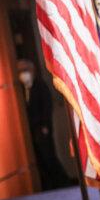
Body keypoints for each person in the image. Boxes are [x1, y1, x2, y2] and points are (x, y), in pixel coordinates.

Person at [16, 59, 71, 190]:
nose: (22, 74)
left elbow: (47, 107)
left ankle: (64, 183)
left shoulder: (40, 86)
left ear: (32, 71)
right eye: (19, 71)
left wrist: (45, 126)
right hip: (30, 131)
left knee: (49, 157)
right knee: (39, 160)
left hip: (43, 129)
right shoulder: (20, 90)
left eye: (25, 70)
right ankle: (50, 186)